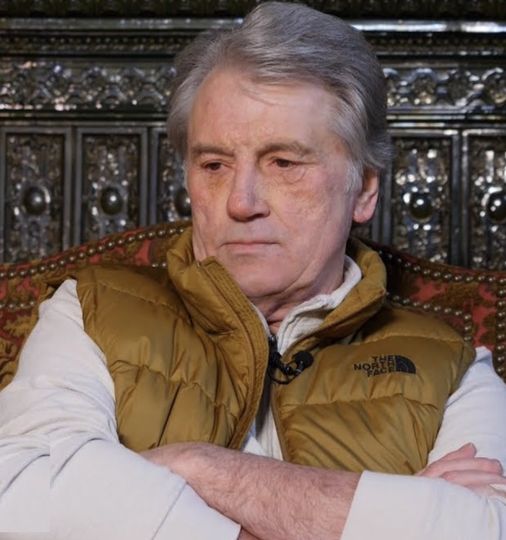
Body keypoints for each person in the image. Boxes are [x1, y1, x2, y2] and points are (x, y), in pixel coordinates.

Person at [1, 2, 506, 538]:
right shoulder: (88, 311)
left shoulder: (454, 369)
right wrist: (385, 515)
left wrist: (198, 467)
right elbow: (18, 496)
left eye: (284, 163)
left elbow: (489, 528)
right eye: (214, 165)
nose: (241, 202)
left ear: (363, 189)